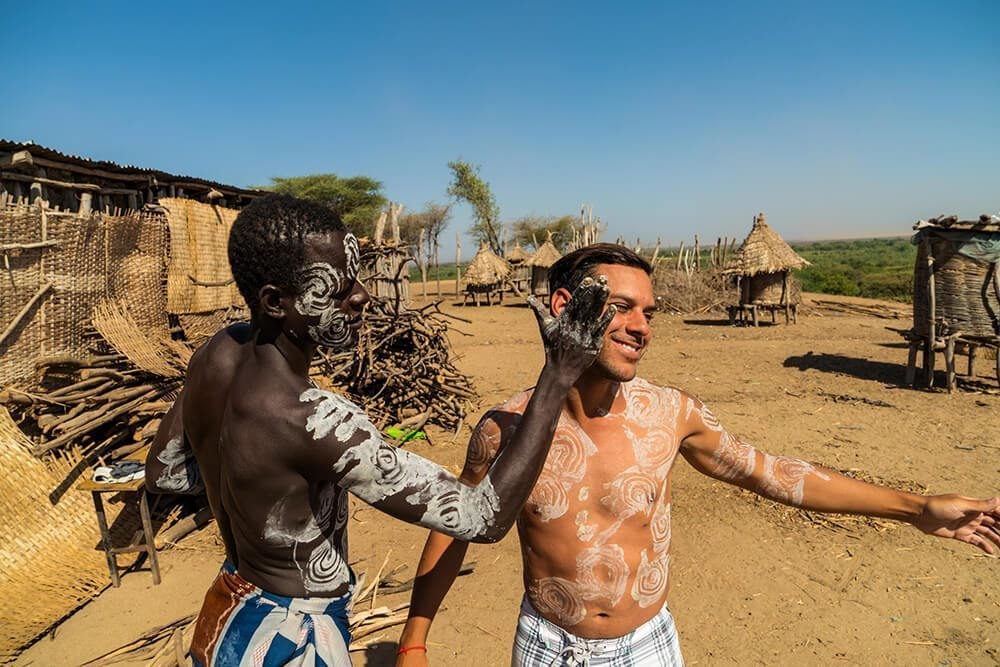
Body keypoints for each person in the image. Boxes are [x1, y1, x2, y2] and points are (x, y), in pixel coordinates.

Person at [396, 243, 1000, 666]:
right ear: (562, 308)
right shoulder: (504, 430)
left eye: (649, 313)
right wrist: (413, 643)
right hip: (548, 645)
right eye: (621, 307)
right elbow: (455, 527)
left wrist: (917, 510)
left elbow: (776, 475)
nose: (641, 327)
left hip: (648, 646)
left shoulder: (670, 414)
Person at [144, 193, 616, 666]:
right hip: (290, 638)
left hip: (231, 608)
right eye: (339, 287)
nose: (361, 296)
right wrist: (557, 376)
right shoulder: (314, 423)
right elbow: (482, 517)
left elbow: (164, 472)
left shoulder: (213, 355)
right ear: (275, 302)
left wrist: (253, 491)